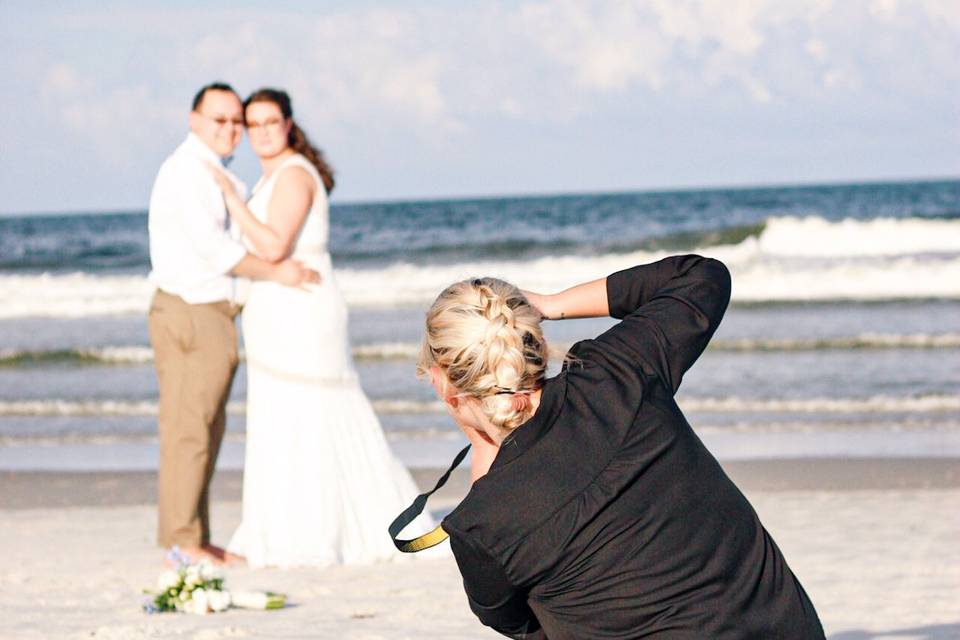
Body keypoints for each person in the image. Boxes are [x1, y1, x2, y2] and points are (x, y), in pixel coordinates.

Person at [418, 255, 825, 639]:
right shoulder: (618, 373)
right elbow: (702, 277)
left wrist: (485, 447)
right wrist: (552, 303)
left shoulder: (481, 527)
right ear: (531, 340)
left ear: (443, 383)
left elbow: (523, 626)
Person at [208, 88, 433, 568]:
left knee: (316, 410)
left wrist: (231, 198)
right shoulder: (274, 177)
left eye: (271, 122)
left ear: (288, 124)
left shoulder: (293, 175)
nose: (263, 132)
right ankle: (287, 528)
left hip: (302, 313)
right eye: (254, 124)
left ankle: (324, 532)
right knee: (285, 416)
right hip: (278, 314)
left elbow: (272, 246)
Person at [148, 82, 320, 565]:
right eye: (218, 119)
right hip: (191, 312)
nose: (229, 129)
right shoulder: (187, 173)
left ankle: (194, 537)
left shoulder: (212, 172)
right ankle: (184, 542)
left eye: (234, 122)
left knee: (205, 428)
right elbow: (216, 251)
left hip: (209, 315)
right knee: (189, 430)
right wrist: (278, 272)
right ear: (193, 119)